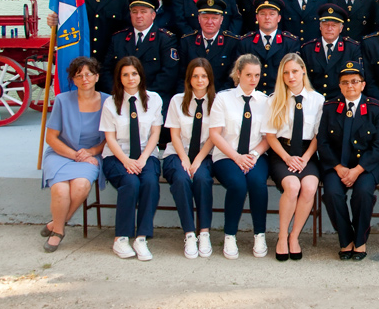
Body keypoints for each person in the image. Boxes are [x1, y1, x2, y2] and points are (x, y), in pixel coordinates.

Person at [318, 61, 379, 261]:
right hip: (336, 165)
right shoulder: (330, 107)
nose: (350, 86)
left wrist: (357, 170)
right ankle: (346, 239)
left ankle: (360, 240)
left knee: (363, 193)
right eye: (345, 82)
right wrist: (338, 167)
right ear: (339, 86)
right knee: (332, 193)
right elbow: (323, 142)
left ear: (363, 85)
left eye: (355, 81)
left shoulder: (376, 108)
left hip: (366, 166)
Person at [40, 57, 108, 253]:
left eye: (88, 74)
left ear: (97, 77)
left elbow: (110, 138)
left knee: (80, 186)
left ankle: (55, 224)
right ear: (73, 79)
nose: (84, 79)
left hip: (91, 154)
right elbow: (51, 138)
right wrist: (75, 155)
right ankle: (58, 231)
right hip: (61, 153)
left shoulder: (108, 101)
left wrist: (91, 152)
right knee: (60, 190)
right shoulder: (62, 100)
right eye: (79, 75)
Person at [101, 57, 164, 261]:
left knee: (150, 182)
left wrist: (143, 158)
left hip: (146, 155)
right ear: (119, 78)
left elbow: (155, 133)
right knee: (130, 182)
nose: (130, 78)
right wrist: (126, 161)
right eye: (125, 74)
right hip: (117, 156)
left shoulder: (154, 99)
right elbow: (110, 138)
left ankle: (141, 237)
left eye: (134, 74)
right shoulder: (110, 103)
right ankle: (121, 238)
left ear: (140, 75)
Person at [209, 54, 271, 259]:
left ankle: (259, 234)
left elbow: (268, 137)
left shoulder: (265, 101)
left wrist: (253, 155)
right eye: (248, 75)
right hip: (227, 156)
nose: (253, 79)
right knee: (237, 184)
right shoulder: (223, 98)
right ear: (238, 73)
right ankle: (230, 235)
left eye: (257, 75)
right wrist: (237, 157)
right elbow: (215, 134)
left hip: (255, 156)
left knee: (257, 183)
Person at [263, 54, 324, 261]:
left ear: (303, 71)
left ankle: (294, 237)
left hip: (308, 153)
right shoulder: (274, 99)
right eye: (286, 72)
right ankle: (282, 237)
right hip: (282, 152)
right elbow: (270, 136)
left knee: (309, 187)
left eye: (295, 71)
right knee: (292, 186)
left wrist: (305, 158)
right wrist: (287, 158)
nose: (291, 76)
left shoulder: (317, 100)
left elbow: (318, 136)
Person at [46, 0, 129, 91]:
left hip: (110, 64)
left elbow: (126, 32)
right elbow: (67, 25)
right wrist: (54, 23)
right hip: (83, 62)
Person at [162, 58, 216, 259]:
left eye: (204, 76)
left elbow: (214, 136)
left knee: (202, 179)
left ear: (209, 79)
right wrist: (184, 159)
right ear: (189, 79)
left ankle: (204, 233)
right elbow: (174, 135)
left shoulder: (217, 102)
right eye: (195, 76)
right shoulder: (177, 101)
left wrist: (198, 160)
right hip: (177, 153)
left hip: (205, 155)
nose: (200, 80)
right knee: (181, 178)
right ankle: (190, 233)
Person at [101, 0, 179, 111]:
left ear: (153, 15)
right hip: (122, 101)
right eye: (134, 12)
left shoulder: (165, 39)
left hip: (153, 102)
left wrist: (142, 96)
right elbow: (107, 70)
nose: (138, 16)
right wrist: (120, 93)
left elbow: (168, 74)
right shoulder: (118, 39)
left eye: (143, 11)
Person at [237, 0, 300, 94]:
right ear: (257, 17)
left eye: (272, 14)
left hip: (280, 95)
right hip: (253, 95)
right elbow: (239, 74)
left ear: (279, 18)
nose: (267, 18)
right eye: (262, 14)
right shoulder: (245, 42)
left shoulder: (290, 43)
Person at [299, 4, 362, 99]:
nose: (329, 29)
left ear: (341, 29)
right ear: (320, 27)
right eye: (326, 25)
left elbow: (356, 79)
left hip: (341, 101)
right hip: (314, 100)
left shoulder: (352, 48)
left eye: (334, 25)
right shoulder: (308, 49)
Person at [178, 0, 241, 92]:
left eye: (214, 18)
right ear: (199, 19)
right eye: (205, 17)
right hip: (193, 95)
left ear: (221, 20)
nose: (209, 22)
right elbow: (181, 77)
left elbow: (232, 78)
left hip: (221, 96)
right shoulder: (187, 41)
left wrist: (218, 97)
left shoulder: (232, 42)